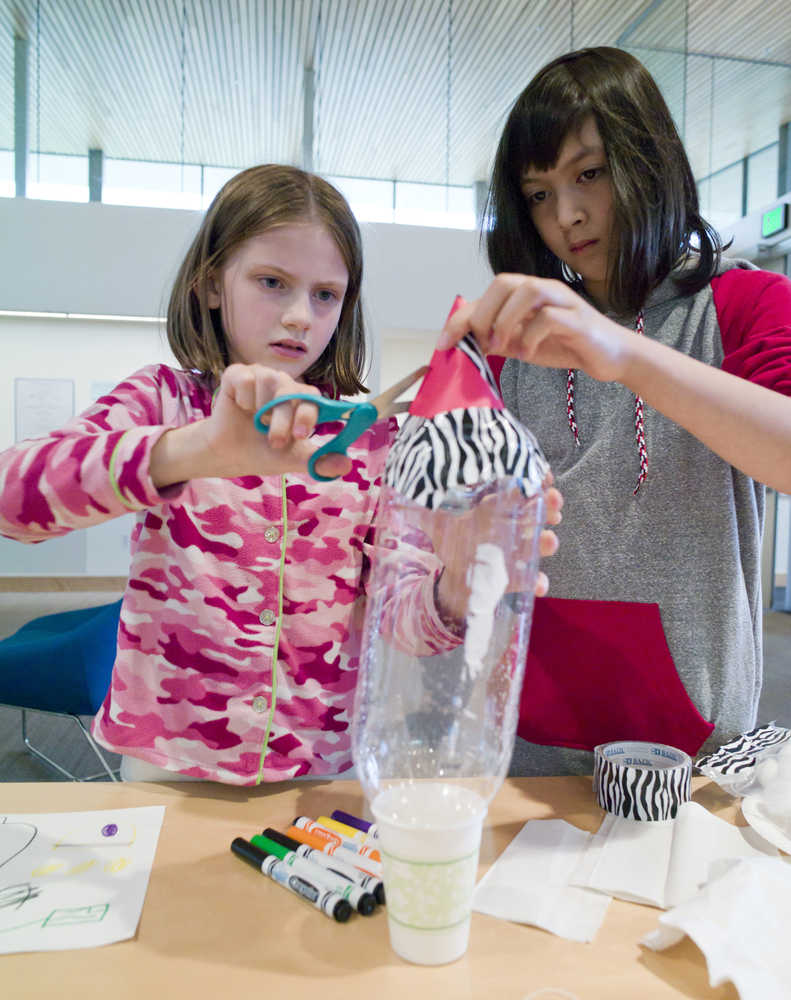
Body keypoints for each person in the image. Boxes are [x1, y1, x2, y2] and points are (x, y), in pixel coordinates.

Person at [0, 164, 559, 784]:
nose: (300, 315)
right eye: (272, 282)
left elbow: (403, 625)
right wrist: (195, 451)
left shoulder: (372, 440)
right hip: (171, 765)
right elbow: (12, 501)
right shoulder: (165, 402)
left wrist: (455, 583)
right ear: (213, 284)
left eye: (326, 295)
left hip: (321, 770)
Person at [439, 47, 791, 776]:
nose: (565, 215)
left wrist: (621, 353)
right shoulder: (513, 347)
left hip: (690, 754)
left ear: (648, 160)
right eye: (538, 195)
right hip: (529, 738)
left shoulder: (741, 306)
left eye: (588, 175)